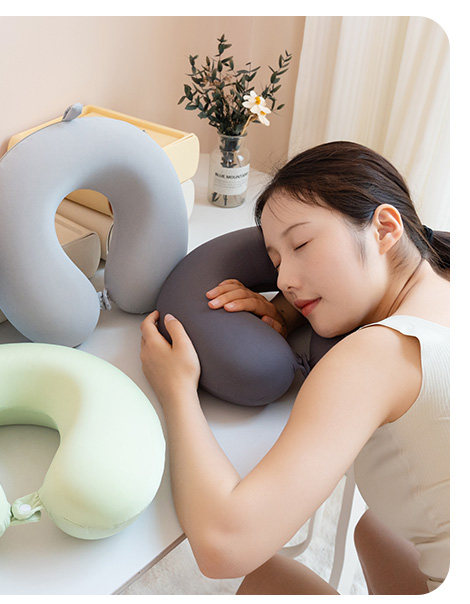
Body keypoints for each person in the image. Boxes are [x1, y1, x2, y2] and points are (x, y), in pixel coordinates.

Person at [139, 141, 449, 594]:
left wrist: (176, 390)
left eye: (301, 244)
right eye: (276, 262)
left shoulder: (378, 356)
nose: (283, 280)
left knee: (266, 580)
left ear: (385, 228)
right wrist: (287, 312)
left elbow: (223, 546)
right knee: (377, 531)